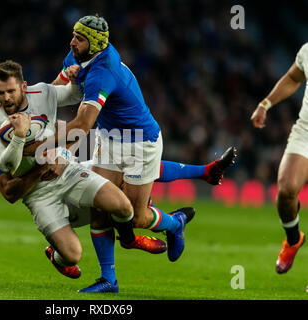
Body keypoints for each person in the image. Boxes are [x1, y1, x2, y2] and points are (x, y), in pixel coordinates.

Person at [24, 14, 236, 292]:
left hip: (140, 141)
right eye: (74, 35)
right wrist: (63, 81)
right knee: (99, 204)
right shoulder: (78, 54)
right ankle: (108, 279)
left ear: (95, 44)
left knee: (135, 217)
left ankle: (174, 223)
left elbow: (83, 124)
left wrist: (44, 146)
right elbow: (56, 91)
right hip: (111, 137)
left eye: (79, 38)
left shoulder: (104, 71)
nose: (72, 41)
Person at [0, 60, 167, 291]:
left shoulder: (42, 94)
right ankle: (58, 255)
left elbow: (75, 95)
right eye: (0, 94)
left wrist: (75, 76)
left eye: (10, 91)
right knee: (73, 255)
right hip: (37, 194)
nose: (6, 98)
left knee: (122, 206)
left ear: (24, 86)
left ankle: (132, 240)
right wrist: (20, 139)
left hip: (67, 171)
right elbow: (7, 174)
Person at [250, 42, 308, 274]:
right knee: (285, 190)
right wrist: (265, 104)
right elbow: (294, 78)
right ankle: (293, 239)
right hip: (306, 131)